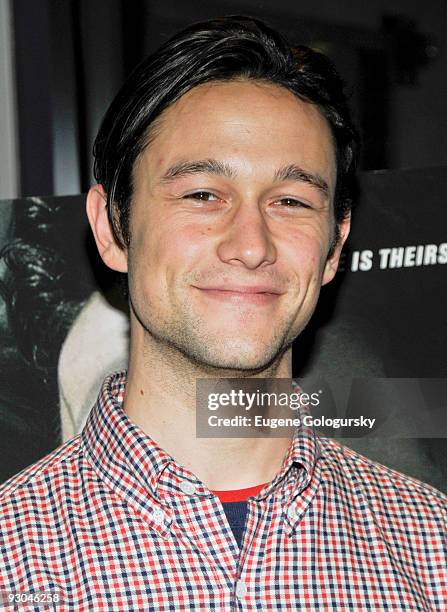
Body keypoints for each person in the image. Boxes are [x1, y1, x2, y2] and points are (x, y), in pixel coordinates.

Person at [1, 16, 445, 610]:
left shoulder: (431, 548)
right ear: (112, 227)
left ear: (335, 245)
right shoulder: (12, 556)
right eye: (203, 195)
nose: (251, 244)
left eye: (290, 201)